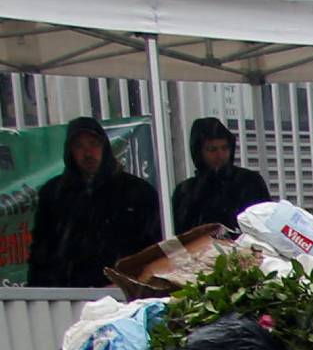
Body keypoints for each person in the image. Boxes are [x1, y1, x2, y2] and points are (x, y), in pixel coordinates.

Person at [27, 116, 161, 287]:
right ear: (70, 152)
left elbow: (153, 249)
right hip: (67, 297)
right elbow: (42, 251)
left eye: (93, 144)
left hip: (124, 294)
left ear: (105, 147)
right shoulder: (54, 194)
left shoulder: (137, 191)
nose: (88, 153)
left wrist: (134, 281)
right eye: (79, 146)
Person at [170, 116, 271, 237]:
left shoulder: (249, 182)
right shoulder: (186, 192)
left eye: (224, 148)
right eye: (212, 149)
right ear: (199, 152)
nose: (220, 155)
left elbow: (265, 224)